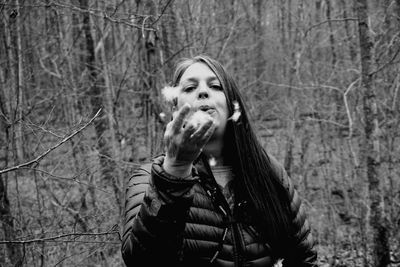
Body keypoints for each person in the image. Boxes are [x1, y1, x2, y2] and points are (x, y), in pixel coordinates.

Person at [121, 55, 317, 266]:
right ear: (176, 110)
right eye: (189, 88)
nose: (203, 92)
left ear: (233, 105)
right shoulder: (150, 177)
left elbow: (303, 258)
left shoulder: (270, 173)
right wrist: (175, 171)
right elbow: (142, 261)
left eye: (215, 86)